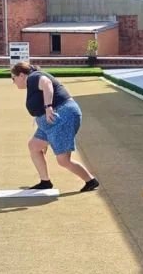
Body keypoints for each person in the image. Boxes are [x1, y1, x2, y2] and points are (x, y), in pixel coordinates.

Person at [10, 62, 99, 192]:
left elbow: (47, 83)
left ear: (22, 75)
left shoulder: (33, 77)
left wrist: (48, 107)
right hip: (51, 121)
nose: (13, 82)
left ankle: (90, 181)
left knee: (63, 160)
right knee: (34, 146)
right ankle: (45, 181)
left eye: (13, 78)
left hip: (61, 116)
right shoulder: (32, 81)